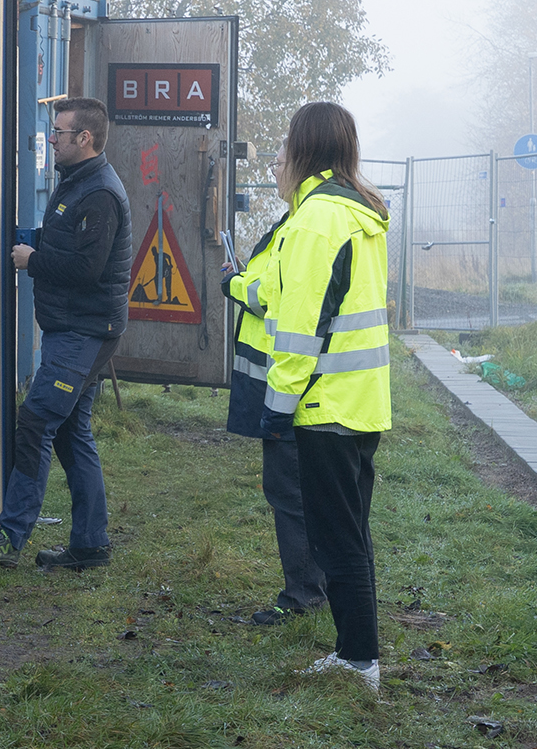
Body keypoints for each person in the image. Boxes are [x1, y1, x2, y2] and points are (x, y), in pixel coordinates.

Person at [0, 97, 134, 570]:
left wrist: (31, 261)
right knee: (71, 431)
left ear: (85, 139)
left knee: (36, 422)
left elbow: (87, 268)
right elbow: (66, 241)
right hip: (72, 329)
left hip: (85, 332)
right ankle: (90, 545)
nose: (51, 138)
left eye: (59, 132)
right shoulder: (75, 183)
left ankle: (9, 537)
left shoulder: (98, 193)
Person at [257, 101, 392, 693]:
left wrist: (276, 408)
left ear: (302, 147)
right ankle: (354, 653)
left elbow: (300, 329)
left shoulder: (315, 220)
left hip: (323, 406)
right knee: (350, 536)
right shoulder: (358, 212)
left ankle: (360, 662)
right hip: (362, 403)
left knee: (337, 541)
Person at [221, 196, 328, 626]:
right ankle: (313, 588)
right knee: (301, 492)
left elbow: (272, 295)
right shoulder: (296, 219)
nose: (275, 169)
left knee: (290, 491)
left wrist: (234, 283)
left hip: (289, 384)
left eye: (281, 160)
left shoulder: (302, 225)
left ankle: (304, 594)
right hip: (291, 380)